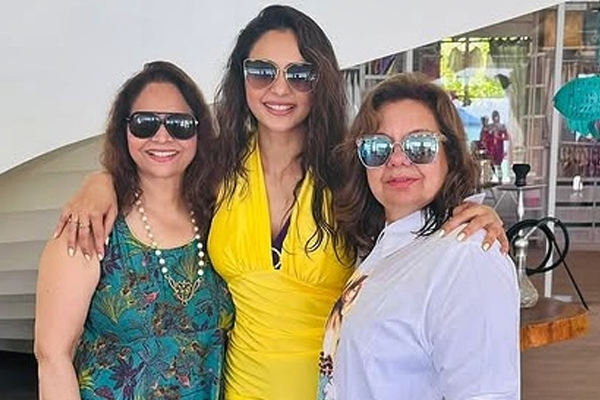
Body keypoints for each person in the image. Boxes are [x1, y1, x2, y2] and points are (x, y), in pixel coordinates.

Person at [51, 6, 509, 400]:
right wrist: (101, 181)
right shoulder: (218, 168)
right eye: (262, 71)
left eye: (300, 74)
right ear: (242, 77)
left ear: (320, 80)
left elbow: (409, 210)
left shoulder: (349, 168)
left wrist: (476, 215)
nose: (280, 88)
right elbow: (156, 168)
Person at [34, 61, 234, 400]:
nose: (162, 136)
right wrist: (100, 180)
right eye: (145, 123)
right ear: (123, 131)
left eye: (180, 125)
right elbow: (52, 358)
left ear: (199, 132)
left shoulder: (219, 220)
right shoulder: (92, 226)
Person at [318, 73, 520, 400]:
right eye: (378, 147)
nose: (398, 159)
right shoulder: (383, 246)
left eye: (420, 146)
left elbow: (487, 393)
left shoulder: (467, 256)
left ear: (449, 154)